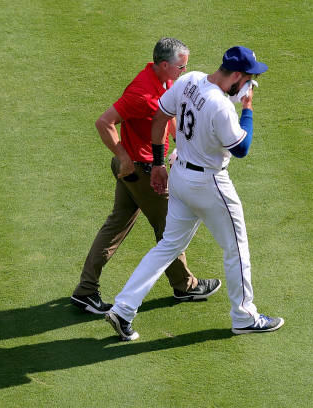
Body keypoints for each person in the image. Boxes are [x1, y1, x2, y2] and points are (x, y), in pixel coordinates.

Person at [105, 46, 285, 340]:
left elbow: (161, 116)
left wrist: (159, 164)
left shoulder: (190, 81)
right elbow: (241, 148)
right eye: (249, 78)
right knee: (236, 248)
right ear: (237, 76)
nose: (250, 84)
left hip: (180, 178)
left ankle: (123, 308)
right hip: (209, 184)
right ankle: (244, 316)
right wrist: (248, 109)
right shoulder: (223, 108)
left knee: (167, 246)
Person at [70, 38, 221, 314]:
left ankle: (86, 290)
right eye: (181, 66)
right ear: (164, 65)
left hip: (138, 170)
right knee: (170, 228)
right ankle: (184, 286)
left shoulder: (163, 81)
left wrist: (179, 141)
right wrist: (123, 157)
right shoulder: (141, 92)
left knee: (116, 225)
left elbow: (167, 113)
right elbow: (104, 122)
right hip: (141, 171)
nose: (184, 71)